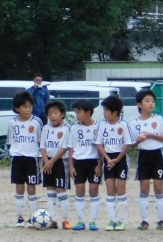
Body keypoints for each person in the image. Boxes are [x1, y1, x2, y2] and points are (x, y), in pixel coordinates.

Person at [130, 89, 163, 230]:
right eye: (147, 101)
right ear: (139, 104)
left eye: (153, 101)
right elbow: (131, 145)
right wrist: (138, 140)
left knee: (158, 187)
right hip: (143, 155)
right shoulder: (134, 123)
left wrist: (150, 135)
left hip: (157, 155)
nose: (151, 103)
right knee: (144, 187)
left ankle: (160, 220)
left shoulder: (158, 119)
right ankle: (144, 221)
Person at [96, 95, 133, 231]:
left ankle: (121, 220)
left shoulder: (123, 125)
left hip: (120, 159)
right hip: (108, 159)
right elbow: (99, 144)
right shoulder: (102, 125)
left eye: (106, 110)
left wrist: (117, 159)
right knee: (110, 190)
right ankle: (112, 220)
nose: (104, 113)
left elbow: (127, 144)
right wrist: (107, 158)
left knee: (121, 190)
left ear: (115, 112)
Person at [7, 91, 42, 227]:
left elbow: (40, 141)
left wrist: (42, 158)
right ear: (17, 108)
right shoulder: (12, 123)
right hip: (17, 158)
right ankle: (20, 218)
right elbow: (10, 141)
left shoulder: (37, 122)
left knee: (32, 188)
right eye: (25, 107)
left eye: (30, 106)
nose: (28, 109)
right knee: (19, 187)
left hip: (32, 159)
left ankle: (33, 217)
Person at [68, 100, 101, 231]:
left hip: (94, 162)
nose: (77, 115)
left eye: (79, 112)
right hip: (79, 162)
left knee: (93, 189)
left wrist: (99, 164)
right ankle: (80, 220)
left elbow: (101, 147)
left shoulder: (98, 126)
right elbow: (70, 148)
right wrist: (71, 166)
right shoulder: (74, 128)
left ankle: (93, 220)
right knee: (79, 189)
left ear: (88, 112)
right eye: (76, 112)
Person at [39, 100, 71, 229]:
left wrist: (51, 162)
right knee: (50, 190)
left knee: (61, 190)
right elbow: (42, 146)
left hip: (60, 162)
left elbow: (64, 147)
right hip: (47, 162)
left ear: (62, 114)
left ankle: (66, 220)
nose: (52, 116)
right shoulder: (46, 128)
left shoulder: (67, 128)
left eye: (55, 113)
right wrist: (46, 161)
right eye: (50, 113)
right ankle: (53, 220)